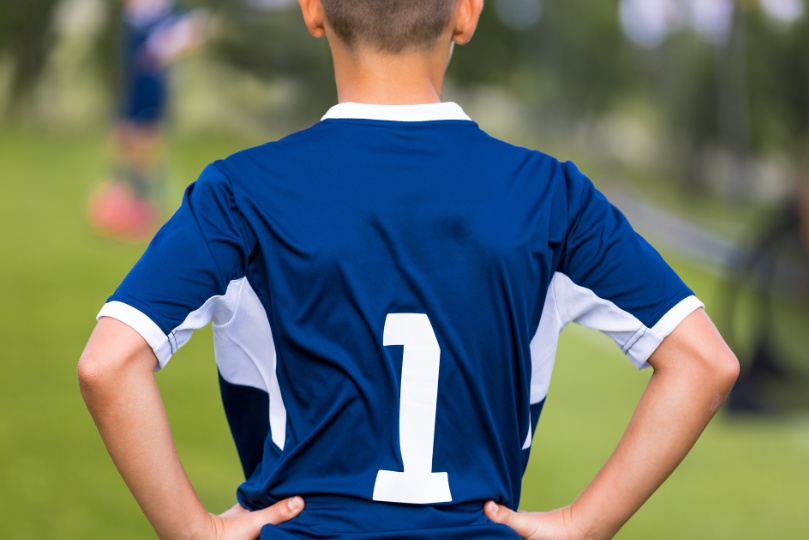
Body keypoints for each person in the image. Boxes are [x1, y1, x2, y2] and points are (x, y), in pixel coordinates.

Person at [77, 1, 740, 539]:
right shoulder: (550, 195)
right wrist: (582, 524)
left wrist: (194, 532)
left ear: (313, 11)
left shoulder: (239, 192)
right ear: (467, 15)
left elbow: (109, 364)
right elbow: (703, 362)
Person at [87, 0, 208, 242]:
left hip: (148, 90)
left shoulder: (162, 15)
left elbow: (195, 31)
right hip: (133, 88)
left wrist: (172, 44)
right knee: (123, 145)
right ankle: (132, 207)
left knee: (142, 151)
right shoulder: (141, 17)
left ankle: (147, 212)